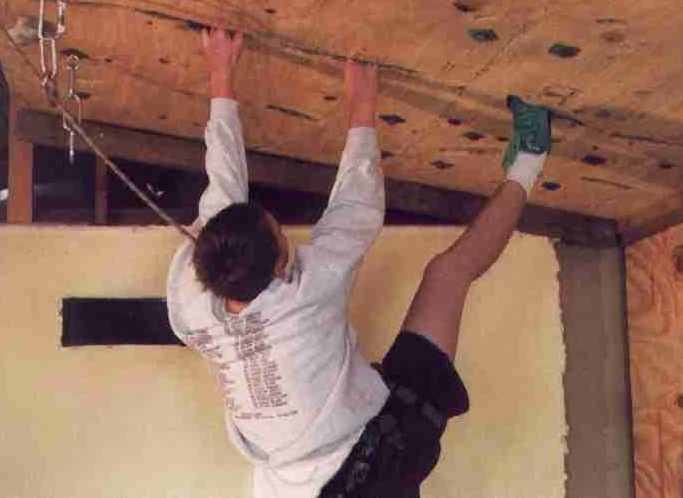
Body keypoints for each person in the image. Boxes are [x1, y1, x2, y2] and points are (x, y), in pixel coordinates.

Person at [167, 27, 551, 498]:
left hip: (306, 473)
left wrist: (221, 75)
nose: (286, 234)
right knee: (449, 275)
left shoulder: (198, 291)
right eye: (283, 236)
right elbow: (355, 207)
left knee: (443, 278)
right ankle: (532, 156)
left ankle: (528, 161)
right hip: (371, 473)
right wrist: (362, 104)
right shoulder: (303, 299)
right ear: (280, 274)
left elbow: (222, 193)